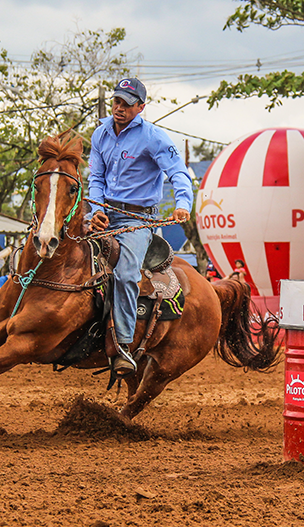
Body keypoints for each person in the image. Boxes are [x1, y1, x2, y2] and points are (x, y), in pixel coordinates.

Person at [88, 77, 193, 377]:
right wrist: (96, 210)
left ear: (141, 107)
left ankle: (122, 346)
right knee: (65, 247)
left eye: (127, 104)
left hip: (138, 220)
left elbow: (178, 172)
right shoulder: (100, 134)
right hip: (104, 214)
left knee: (124, 272)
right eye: (116, 102)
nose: (119, 108)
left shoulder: (154, 137)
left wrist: (183, 203)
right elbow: (95, 178)